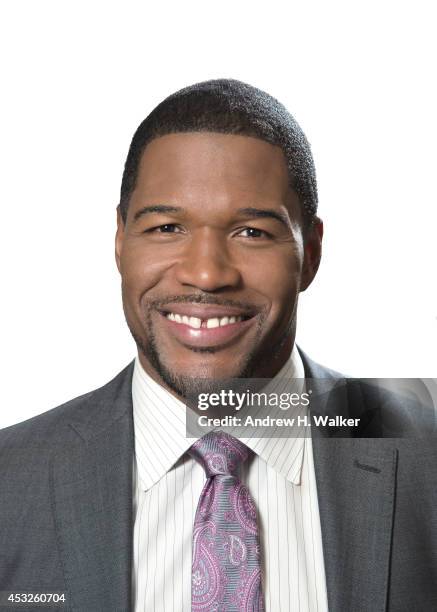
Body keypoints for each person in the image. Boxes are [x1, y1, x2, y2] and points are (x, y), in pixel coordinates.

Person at [0, 79, 436, 612]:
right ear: (120, 242)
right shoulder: (9, 480)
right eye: (166, 227)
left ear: (312, 252)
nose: (206, 273)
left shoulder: (425, 458)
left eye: (251, 232)